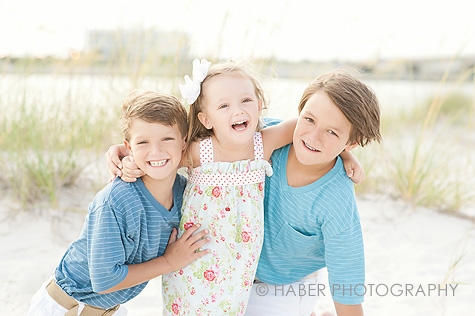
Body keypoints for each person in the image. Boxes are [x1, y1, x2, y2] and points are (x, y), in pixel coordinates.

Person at [105, 62, 366, 316]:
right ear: (206, 119)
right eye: (224, 106)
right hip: (198, 253)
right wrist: (127, 158)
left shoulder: (265, 143)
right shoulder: (203, 151)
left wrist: (344, 153)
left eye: (245, 101)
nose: (237, 110)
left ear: (259, 105)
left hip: (245, 268)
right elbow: (161, 156)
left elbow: (314, 127)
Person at [28, 91, 211, 316]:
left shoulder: (185, 191)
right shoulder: (116, 200)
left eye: (167, 138)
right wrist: (169, 262)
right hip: (65, 306)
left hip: (109, 309)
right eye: (143, 142)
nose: (156, 151)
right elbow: (105, 280)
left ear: (184, 142)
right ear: (128, 147)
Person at [244, 69, 381, 316]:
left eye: (332, 132)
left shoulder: (336, 199)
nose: (313, 137)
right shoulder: (269, 139)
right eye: (309, 120)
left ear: (351, 143)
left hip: (287, 282)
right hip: (241, 269)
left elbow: (346, 278)